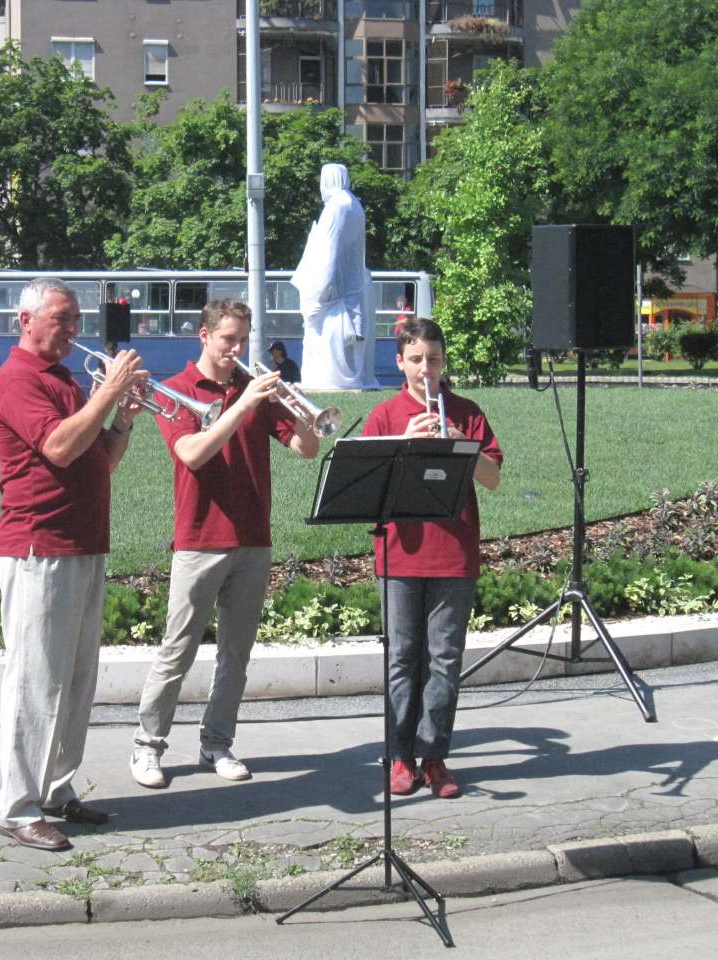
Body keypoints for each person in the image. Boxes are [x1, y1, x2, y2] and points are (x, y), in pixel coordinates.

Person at [0, 277, 147, 851]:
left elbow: (99, 459)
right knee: (34, 681)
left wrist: (122, 416)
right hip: (38, 546)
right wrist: (108, 393)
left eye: (76, 318)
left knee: (77, 680)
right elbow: (56, 447)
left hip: (82, 541)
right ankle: (17, 806)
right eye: (62, 317)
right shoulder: (16, 381)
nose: (74, 328)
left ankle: (55, 790)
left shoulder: (64, 380)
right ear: (26, 320)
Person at [130, 300, 320, 789]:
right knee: (178, 648)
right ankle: (148, 746)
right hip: (200, 538)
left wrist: (300, 408)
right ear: (204, 336)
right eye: (228, 339)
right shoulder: (176, 390)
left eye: (243, 340)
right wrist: (244, 404)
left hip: (253, 537)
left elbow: (308, 449)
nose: (237, 349)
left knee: (237, 653)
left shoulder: (254, 391)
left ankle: (217, 743)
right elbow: (192, 453)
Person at [363, 318, 502, 799]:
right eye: (417, 360)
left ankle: (435, 756)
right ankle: (400, 756)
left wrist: (455, 441)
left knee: (445, 660)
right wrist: (408, 442)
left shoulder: (467, 412)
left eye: (435, 359)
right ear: (400, 363)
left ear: (445, 363)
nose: (427, 369)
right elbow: (369, 491)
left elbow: (492, 479)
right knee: (402, 659)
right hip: (400, 554)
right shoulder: (383, 416)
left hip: (454, 553)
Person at [290, 162, 378, 389]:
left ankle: (329, 381)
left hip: (333, 288)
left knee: (327, 344)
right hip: (351, 284)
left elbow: (328, 251)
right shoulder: (354, 205)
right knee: (346, 347)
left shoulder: (336, 207)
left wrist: (319, 290)